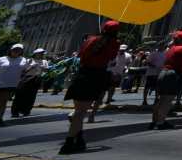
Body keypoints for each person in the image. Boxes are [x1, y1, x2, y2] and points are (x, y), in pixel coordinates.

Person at [59, 22, 121, 152]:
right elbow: (111, 58)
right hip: (95, 76)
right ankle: (68, 143)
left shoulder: (90, 39)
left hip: (82, 74)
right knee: (80, 113)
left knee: (79, 111)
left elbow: (80, 54)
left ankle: (79, 139)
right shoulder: (114, 44)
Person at [152, 30, 182, 130]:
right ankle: (160, 123)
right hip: (172, 74)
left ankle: (154, 121)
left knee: (160, 99)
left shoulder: (171, 49)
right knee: (167, 100)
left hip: (163, 73)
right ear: (180, 40)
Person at [11, 48, 48, 118]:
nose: (41, 55)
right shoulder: (29, 60)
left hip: (36, 78)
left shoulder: (44, 61)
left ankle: (26, 110)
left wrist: (43, 68)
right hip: (27, 78)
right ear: (36, 54)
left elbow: (46, 70)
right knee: (20, 94)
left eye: (42, 53)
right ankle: (15, 111)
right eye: (40, 53)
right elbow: (24, 71)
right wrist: (31, 67)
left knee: (31, 96)